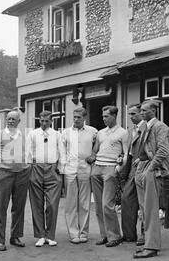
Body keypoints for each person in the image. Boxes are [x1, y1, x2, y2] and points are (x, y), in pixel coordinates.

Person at [133, 100, 169, 259]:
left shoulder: (160, 127)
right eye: (141, 110)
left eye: (144, 110)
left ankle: (151, 247)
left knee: (150, 210)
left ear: (153, 111)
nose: (141, 113)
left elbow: (163, 151)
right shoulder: (145, 127)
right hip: (143, 167)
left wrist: (149, 168)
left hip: (153, 170)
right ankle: (149, 243)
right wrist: (140, 162)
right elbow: (144, 149)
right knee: (144, 210)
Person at [0, 110, 30, 251]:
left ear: (19, 121)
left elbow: (29, 153)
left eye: (13, 119)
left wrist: (27, 167)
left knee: (18, 207)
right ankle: (0, 240)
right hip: (5, 174)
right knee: (1, 208)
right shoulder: (0, 135)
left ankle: (15, 237)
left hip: (22, 175)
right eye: (8, 119)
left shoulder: (23, 135)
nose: (10, 121)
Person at [90, 105, 128, 247]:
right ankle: (104, 235)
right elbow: (95, 151)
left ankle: (115, 236)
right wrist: (91, 160)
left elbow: (125, 154)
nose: (103, 119)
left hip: (110, 169)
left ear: (114, 116)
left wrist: (117, 169)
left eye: (106, 116)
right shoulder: (100, 133)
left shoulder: (123, 133)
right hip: (97, 169)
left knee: (107, 205)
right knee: (99, 206)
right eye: (103, 116)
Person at [27, 111, 64, 247]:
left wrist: (60, 169)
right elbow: (28, 152)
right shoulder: (32, 134)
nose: (43, 123)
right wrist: (30, 167)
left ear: (51, 121)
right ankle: (41, 235)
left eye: (46, 121)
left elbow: (62, 152)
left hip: (53, 169)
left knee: (52, 204)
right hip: (36, 168)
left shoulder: (57, 135)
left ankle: (50, 235)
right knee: (36, 203)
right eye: (41, 120)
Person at [61, 107, 98, 244]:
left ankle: (83, 232)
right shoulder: (65, 133)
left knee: (84, 203)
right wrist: (62, 169)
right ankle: (73, 233)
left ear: (84, 118)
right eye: (74, 117)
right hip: (70, 170)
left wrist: (93, 155)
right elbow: (62, 152)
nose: (76, 119)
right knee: (71, 204)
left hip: (85, 170)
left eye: (79, 117)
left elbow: (98, 146)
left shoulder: (93, 132)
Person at [121, 104, 146, 245]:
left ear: (141, 113)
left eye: (133, 114)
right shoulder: (131, 130)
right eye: (129, 114)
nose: (131, 117)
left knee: (144, 203)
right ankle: (129, 235)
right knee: (126, 199)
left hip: (144, 168)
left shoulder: (147, 128)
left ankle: (144, 234)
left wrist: (143, 158)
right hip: (132, 169)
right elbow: (129, 152)